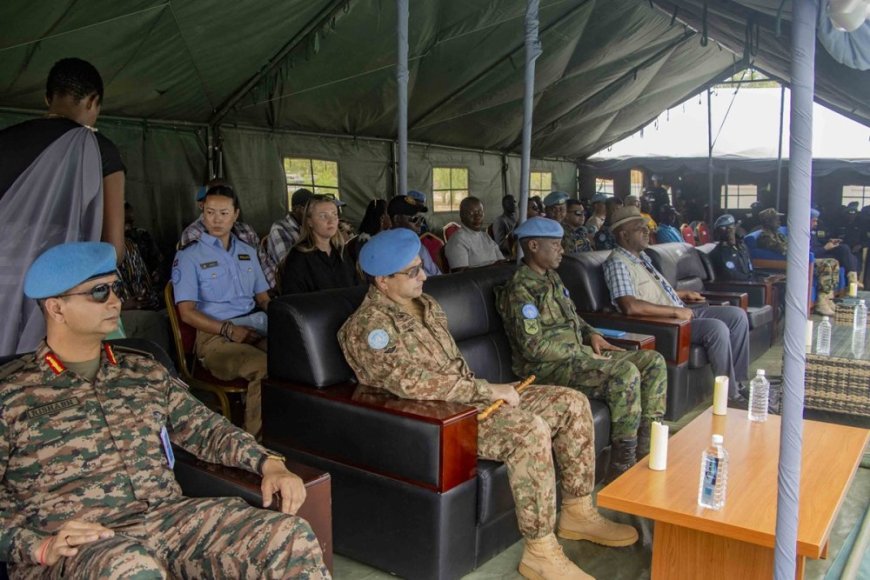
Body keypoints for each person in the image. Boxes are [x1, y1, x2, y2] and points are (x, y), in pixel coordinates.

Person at [0, 241, 329, 579]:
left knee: (288, 536)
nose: (115, 301)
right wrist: (38, 546)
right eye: (99, 292)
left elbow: (205, 428)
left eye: (115, 288)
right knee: (131, 568)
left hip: (166, 521)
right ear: (56, 308)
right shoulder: (12, 395)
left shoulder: (142, 372)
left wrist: (267, 462)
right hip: (75, 547)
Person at [338, 228, 638, 580]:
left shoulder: (426, 304)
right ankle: (540, 552)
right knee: (528, 431)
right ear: (382, 281)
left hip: (473, 399)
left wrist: (489, 391)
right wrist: (486, 390)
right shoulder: (367, 328)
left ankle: (577, 512)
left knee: (571, 402)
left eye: (421, 266)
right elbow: (410, 383)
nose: (424, 276)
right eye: (413, 271)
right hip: (438, 420)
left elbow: (453, 369)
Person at [495, 217, 667, 480]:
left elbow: (573, 317)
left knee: (653, 361)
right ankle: (622, 465)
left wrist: (592, 334)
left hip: (576, 358)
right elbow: (533, 348)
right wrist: (579, 350)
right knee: (624, 373)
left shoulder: (552, 277)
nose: (562, 250)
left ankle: (647, 448)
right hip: (546, 369)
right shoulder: (520, 289)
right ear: (533, 246)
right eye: (555, 245)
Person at [0, 58, 126, 357]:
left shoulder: (3, 141)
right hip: (62, 300)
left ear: (48, 99)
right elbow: (113, 249)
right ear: (93, 101)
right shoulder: (99, 149)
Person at [603, 206, 750, 403]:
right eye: (640, 228)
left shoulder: (642, 257)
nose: (647, 231)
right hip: (667, 323)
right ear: (624, 234)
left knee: (737, 316)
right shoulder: (618, 263)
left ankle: (738, 383)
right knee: (717, 328)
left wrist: (682, 294)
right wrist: (674, 311)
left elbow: (654, 291)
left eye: (646, 227)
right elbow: (630, 306)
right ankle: (730, 396)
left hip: (681, 311)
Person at [172, 185, 270, 437]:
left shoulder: (248, 252)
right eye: (210, 212)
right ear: (202, 213)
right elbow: (186, 313)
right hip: (215, 338)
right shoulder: (189, 256)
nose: (216, 219)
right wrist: (228, 329)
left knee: (295, 360)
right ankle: (255, 443)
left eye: (224, 213)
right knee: (264, 367)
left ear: (235, 215)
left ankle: (286, 437)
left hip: (255, 329)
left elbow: (263, 298)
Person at [757, 207, 840, 315]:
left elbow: (790, 245)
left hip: (798, 257)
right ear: (768, 221)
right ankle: (821, 303)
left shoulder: (777, 233)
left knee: (833, 262)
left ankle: (828, 299)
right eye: (776, 219)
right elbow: (783, 249)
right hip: (788, 262)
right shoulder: (765, 236)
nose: (779, 221)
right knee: (825, 265)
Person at [279, 194, 360, 294]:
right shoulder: (298, 257)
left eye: (334, 214)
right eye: (323, 216)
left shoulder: (341, 252)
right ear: (309, 222)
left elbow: (356, 288)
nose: (331, 221)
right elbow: (294, 298)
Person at [262, 188, 314, 289]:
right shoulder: (280, 228)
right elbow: (287, 266)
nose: (311, 214)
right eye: (308, 209)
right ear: (296, 209)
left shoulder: (309, 225)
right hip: (291, 284)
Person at [444, 197, 505, 271]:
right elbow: (460, 274)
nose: (477, 217)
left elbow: (502, 262)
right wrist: (493, 267)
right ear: (461, 215)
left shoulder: (485, 236)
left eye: (480, 213)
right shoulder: (457, 240)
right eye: (471, 213)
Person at [387, 195, 442, 276]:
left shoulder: (420, 247)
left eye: (420, 219)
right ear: (397, 219)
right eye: (414, 219)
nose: (419, 224)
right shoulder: (386, 250)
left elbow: (437, 275)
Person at [811, 208, 863, 290]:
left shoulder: (812, 232)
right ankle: (852, 282)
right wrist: (825, 248)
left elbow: (818, 243)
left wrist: (830, 241)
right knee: (846, 256)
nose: (816, 224)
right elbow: (809, 253)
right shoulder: (802, 234)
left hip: (821, 252)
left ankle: (852, 280)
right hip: (815, 257)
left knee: (844, 249)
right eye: (814, 221)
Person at [708, 214, 755, 282]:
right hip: (737, 286)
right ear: (719, 232)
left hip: (752, 283)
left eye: (732, 227)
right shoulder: (719, 253)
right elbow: (731, 275)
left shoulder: (742, 247)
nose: (730, 230)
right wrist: (751, 281)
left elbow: (750, 268)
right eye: (726, 229)